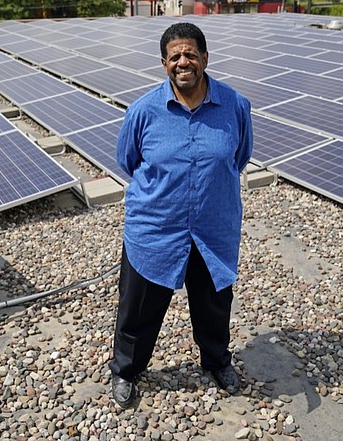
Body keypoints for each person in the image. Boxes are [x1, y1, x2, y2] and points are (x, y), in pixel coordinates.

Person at [110, 22, 253, 409]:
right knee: (138, 309)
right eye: (175, 56)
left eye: (190, 54)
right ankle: (125, 370)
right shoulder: (143, 111)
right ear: (164, 63)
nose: (183, 62)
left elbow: (237, 158)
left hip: (213, 228)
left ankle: (217, 361)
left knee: (213, 305)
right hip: (155, 229)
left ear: (206, 58)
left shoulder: (235, 107)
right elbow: (129, 161)